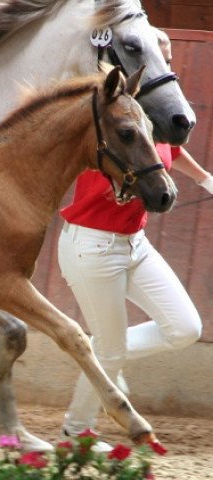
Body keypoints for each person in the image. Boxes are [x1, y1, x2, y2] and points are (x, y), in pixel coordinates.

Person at [57, 30, 213, 452]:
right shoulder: (106, 117)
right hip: (92, 245)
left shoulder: (149, 124)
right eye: (161, 60)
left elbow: (171, 154)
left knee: (184, 328)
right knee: (110, 350)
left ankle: (95, 351)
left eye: (170, 62)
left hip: (133, 244)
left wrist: (206, 180)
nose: (167, 70)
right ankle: (75, 433)